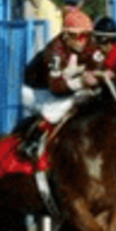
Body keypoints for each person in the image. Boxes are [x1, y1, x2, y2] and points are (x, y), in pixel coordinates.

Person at [17, 9, 104, 161]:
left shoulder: (90, 45)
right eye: (78, 36)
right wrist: (82, 81)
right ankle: (35, 139)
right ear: (66, 35)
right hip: (37, 91)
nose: (83, 41)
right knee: (69, 101)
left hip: (63, 86)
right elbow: (56, 87)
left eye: (87, 35)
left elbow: (98, 65)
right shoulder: (54, 51)